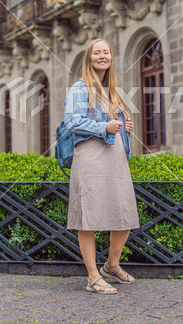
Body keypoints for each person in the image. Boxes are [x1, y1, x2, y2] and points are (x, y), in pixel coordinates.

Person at [63, 38, 140, 294]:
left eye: (106, 52)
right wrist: (103, 127)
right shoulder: (79, 87)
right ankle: (93, 277)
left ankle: (111, 266)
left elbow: (114, 126)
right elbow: (72, 122)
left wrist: (124, 129)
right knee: (89, 218)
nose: (102, 56)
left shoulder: (113, 91)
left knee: (123, 214)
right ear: (89, 58)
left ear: (111, 57)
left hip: (115, 158)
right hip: (90, 158)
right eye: (97, 52)